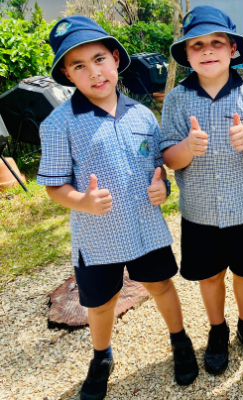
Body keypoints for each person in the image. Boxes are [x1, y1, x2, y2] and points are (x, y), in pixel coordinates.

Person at [37, 16, 198, 400]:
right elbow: (54, 187)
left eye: (98, 59)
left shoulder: (142, 115)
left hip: (146, 228)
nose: (93, 73)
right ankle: (101, 356)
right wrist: (82, 202)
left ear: (114, 58)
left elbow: (158, 168)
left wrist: (163, 188)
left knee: (160, 285)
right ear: (66, 73)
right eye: (79, 66)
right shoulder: (59, 124)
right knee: (101, 301)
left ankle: (180, 340)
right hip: (97, 237)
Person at [159, 6, 243, 375]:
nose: (207, 50)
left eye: (216, 43)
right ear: (187, 53)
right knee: (210, 276)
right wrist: (186, 148)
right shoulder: (177, 100)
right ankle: (217, 329)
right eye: (197, 45)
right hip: (199, 211)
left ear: (233, 50)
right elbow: (169, 158)